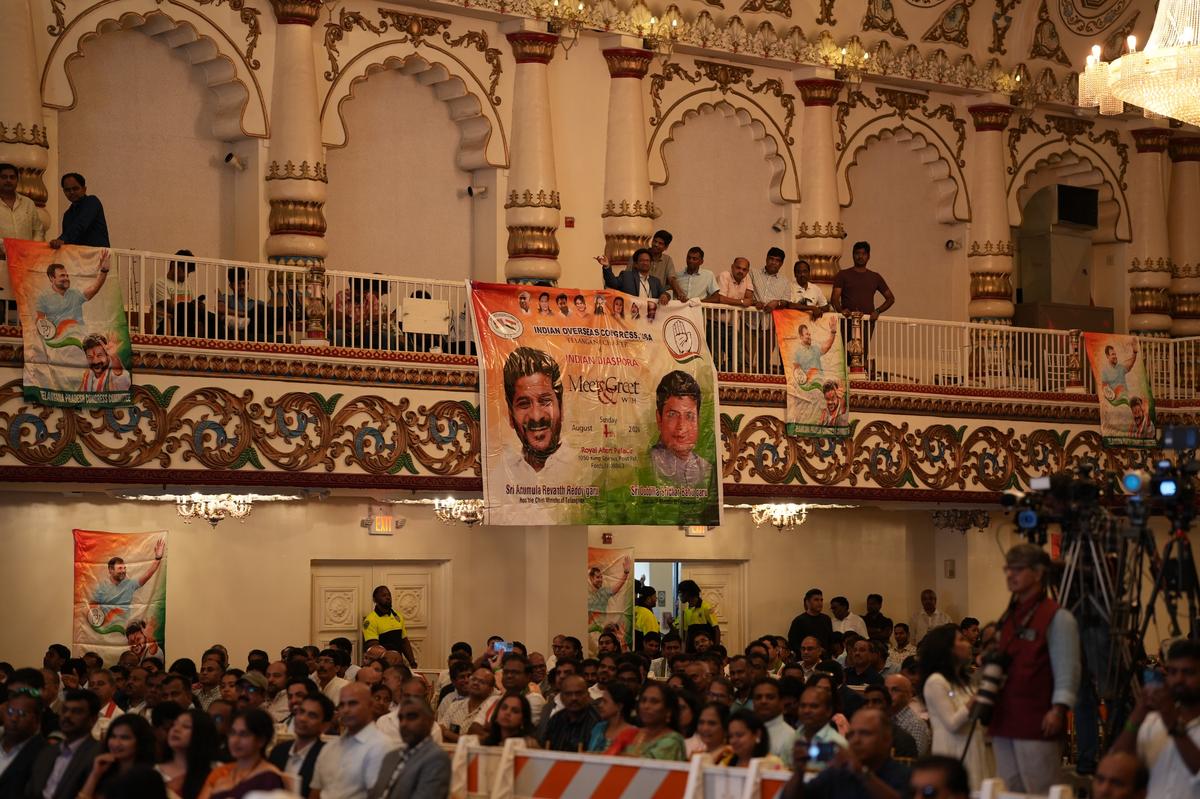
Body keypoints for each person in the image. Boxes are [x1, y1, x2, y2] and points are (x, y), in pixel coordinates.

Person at [989, 543, 1080, 794]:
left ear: (1038, 573)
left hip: (1038, 719)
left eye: (1017, 569)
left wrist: (1058, 710)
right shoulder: (1009, 616)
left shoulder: (1058, 617)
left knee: (1040, 790)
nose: (1010, 574)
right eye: (1008, 568)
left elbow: (1067, 668)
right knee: (1008, 789)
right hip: (1004, 717)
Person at [1112, 638, 1200, 799]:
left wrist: (1172, 723)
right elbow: (1114, 766)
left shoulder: (1167, 719)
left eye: (1188, 672)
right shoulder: (1154, 721)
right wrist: (1137, 716)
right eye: (1173, 672)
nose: (1179, 679)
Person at [918, 623, 990, 789]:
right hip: (953, 751)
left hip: (974, 746)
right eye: (962, 640)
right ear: (947, 648)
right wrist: (976, 698)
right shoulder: (936, 681)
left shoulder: (965, 681)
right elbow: (952, 723)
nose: (968, 644)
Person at [784, 708, 910, 799]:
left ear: (887, 739)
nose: (856, 740)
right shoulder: (838, 772)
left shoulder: (904, 775)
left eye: (865, 733)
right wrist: (799, 772)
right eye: (851, 734)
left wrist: (861, 772)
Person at [310, 683, 392, 799]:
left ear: (370, 705)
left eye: (353, 703)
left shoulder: (383, 746)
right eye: (342, 705)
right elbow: (315, 792)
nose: (346, 710)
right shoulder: (329, 747)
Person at [502, 346, 566, 483]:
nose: (536, 417)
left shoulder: (582, 468)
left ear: (561, 407)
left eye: (545, 401)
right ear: (510, 416)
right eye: (524, 404)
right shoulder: (501, 474)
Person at [830, 241, 895, 377]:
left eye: (863, 254)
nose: (860, 256)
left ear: (868, 256)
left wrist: (877, 311)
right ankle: (842, 380)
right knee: (842, 352)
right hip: (846, 320)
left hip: (866, 322)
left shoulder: (875, 277)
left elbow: (890, 298)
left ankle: (859, 379)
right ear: (853, 255)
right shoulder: (843, 275)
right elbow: (834, 298)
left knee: (862, 352)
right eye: (857, 254)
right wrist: (841, 310)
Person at [367, 697, 451, 799]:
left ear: (429, 722)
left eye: (411, 717)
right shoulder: (391, 755)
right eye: (400, 718)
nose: (404, 724)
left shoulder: (436, 758)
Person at [26, 688, 101, 799]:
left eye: (76, 711)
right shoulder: (47, 751)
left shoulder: (98, 755)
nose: (67, 716)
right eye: (64, 710)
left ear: (93, 719)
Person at [196, 709, 286, 798]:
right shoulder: (223, 772)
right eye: (232, 733)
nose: (235, 741)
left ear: (261, 740)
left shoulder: (269, 777)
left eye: (244, 734)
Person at [646, 371, 712, 489]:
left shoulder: (707, 470)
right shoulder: (645, 466)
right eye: (672, 415)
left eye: (689, 416)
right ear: (659, 419)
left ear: (698, 420)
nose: (681, 426)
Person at [90, 538, 165, 631]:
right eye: (120, 568)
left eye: (124, 568)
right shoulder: (101, 587)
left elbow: (147, 575)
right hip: (105, 632)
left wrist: (158, 559)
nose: (123, 571)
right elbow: (91, 606)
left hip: (124, 631)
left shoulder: (129, 584)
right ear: (110, 570)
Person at [77, 714, 158, 799]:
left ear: (141, 741)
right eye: (113, 736)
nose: (116, 743)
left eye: (125, 738)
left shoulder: (148, 778)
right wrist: (95, 775)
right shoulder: (103, 770)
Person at [268, 693, 330, 798]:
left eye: (312, 715)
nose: (303, 719)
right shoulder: (279, 751)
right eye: (301, 712)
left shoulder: (326, 757)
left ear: (325, 726)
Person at [35, 253, 111, 332]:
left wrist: (104, 271)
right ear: (51, 278)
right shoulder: (43, 297)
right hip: (58, 341)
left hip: (79, 339)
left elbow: (95, 288)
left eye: (67, 275)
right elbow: (40, 321)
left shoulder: (75, 293)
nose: (66, 278)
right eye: (62, 276)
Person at [156, 709, 218, 799]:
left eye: (186, 726)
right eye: (173, 725)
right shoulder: (155, 773)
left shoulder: (218, 770)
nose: (176, 729)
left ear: (202, 733)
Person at [619, 682, 686, 760]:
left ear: (669, 711)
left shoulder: (672, 741)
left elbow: (647, 766)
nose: (646, 706)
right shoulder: (633, 733)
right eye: (643, 700)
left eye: (654, 701)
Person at [0, 686, 47, 796]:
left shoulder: (44, 754)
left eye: (22, 713)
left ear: (37, 719)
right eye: (10, 711)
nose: (14, 718)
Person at [539, 673, 598, 752]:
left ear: (587, 695)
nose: (574, 698)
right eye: (568, 694)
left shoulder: (596, 721)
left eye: (578, 693)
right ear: (561, 697)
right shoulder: (555, 719)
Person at [362, 585, 418, 668]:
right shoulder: (370, 620)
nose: (388, 597)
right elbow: (374, 648)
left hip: (398, 664)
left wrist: (412, 662)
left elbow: (404, 642)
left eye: (389, 595)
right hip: (382, 666)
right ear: (375, 600)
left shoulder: (398, 616)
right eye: (384, 595)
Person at [0, 162, 46, 260]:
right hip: (1, 260)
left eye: (12, 177)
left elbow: (38, 231)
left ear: (17, 181)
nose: (8, 180)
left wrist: (32, 249)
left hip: (26, 260)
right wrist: (5, 250)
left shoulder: (28, 203)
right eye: (4, 177)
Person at [50, 172, 109, 248]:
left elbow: (80, 224)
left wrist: (61, 239)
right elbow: (69, 240)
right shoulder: (67, 214)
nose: (71, 192)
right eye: (67, 190)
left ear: (84, 189)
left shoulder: (92, 201)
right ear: (64, 191)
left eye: (75, 188)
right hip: (78, 257)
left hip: (98, 256)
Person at [752, 677, 796, 765]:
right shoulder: (747, 731)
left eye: (770, 697)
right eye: (758, 697)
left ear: (781, 701)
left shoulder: (791, 737)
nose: (763, 701)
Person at [717, 709, 782, 768]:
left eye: (739, 735)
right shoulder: (726, 763)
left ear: (757, 734)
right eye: (731, 736)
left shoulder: (772, 763)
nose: (733, 741)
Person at [884, 674, 930, 757]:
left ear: (909, 695)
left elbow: (914, 760)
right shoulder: (882, 718)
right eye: (886, 690)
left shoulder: (916, 724)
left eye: (895, 690)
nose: (888, 694)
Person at [599, 248, 669, 301]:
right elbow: (612, 283)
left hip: (650, 318)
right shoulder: (626, 276)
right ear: (635, 264)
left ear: (650, 263)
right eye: (642, 260)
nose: (645, 263)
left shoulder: (655, 281)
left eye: (647, 261)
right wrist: (607, 266)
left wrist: (665, 296)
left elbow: (665, 294)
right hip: (630, 317)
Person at [674, 579, 720, 649]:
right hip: (692, 650)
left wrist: (716, 649)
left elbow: (716, 629)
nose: (679, 596)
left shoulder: (706, 607)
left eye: (680, 592)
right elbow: (687, 633)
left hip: (706, 650)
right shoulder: (686, 611)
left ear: (687, 593)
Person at [789, 588, 833, 654]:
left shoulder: (826, 619)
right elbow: (793, 643)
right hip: (806, 659)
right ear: (807, 602)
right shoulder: (799, 621)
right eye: (816, 600)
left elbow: (830, 640)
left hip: (824, 659)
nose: (820, 603)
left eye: (821, 600)